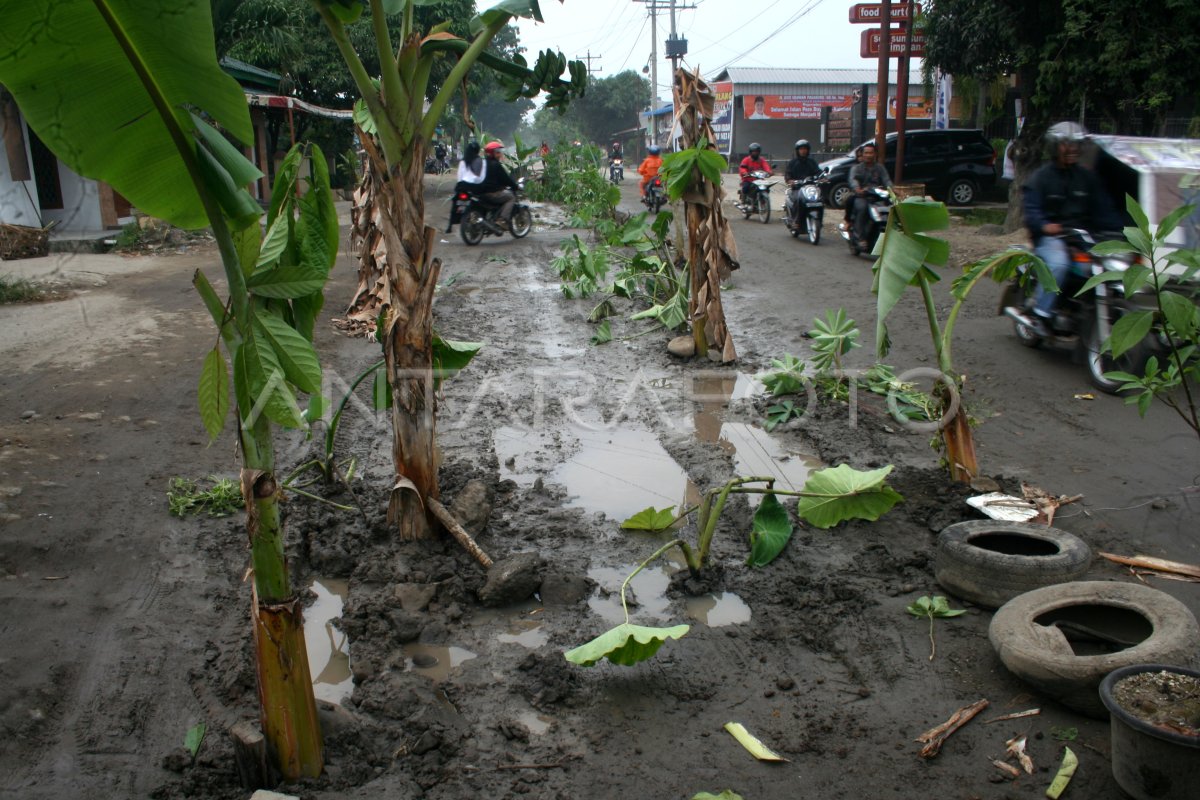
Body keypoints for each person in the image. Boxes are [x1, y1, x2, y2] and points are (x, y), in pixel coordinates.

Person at [1022, 122, 1122, 334]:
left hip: (1083, 238)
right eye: (1066, 144)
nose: (1073, 149)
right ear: (1054, 147)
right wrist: (1045, 226)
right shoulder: (1040, 179)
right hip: (1051, 239)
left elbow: (1105, 210)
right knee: (1059, 264)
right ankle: (1041, 313)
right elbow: (1031, 212)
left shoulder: (1088, 178)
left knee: (1113, 266)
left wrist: (1123, 232)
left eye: (1077, 144)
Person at [848, 142, 892, 246]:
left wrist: (893, 189)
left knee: (890, 209)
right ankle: (860, 238)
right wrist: (858, 189)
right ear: (862, 155)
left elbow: (887, 181)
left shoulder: (880, 168)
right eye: (866, 153)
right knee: (862, 208)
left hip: (877, 197)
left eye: (871, 153)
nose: (868, 155)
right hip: (862, 197)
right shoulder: (856, 168)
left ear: (875, 154)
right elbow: (853, 180)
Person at [477, 140, 520, 231]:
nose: (500, 154)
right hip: (492, 193)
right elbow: (506, 179)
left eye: (499, 152)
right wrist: (515, 186)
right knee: (511, 197)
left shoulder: (482, 163)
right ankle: (503, 220)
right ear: (492, 153)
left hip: (480, 193)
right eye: (497, 152)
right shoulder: (496, 165)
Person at [446, 140, 485, 232]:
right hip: (474, 187)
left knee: (455, 204)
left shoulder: (463, 162)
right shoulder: (479, 161)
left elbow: (460, 177)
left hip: (462, 186)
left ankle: (450, 226)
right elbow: (480, 177)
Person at [785, 139, 821, 225]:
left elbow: (818, 172)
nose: (803, 151)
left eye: (805, 149)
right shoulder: (792, 163)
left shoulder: (812, 162)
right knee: (799, 200)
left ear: (808, 150)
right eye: (801, 149)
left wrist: (823, 177)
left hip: (810, 188)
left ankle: (820, 221)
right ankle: (796, 221)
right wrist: (790, 180)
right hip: (797, 188)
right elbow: (787, 174)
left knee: (820, 200)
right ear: (797, 150)